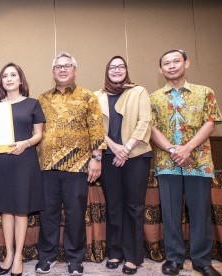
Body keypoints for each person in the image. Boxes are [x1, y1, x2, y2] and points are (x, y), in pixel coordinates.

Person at [150, 49, 222, 276]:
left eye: (176, 61)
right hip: (167, 162)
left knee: (200, 212)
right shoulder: (153, 98)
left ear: (186, 63)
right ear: (160, 69)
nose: (171, 66)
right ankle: (174, 259)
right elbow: (151, 128)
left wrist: (187, 148)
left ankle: (202, 261)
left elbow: (211, 123)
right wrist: (173, 149)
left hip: (198, 163)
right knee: (171, 214)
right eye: (166, 63)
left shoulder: (205, 93)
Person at [36, 52, 105, 275]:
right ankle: (47, 257)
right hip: (47, 166)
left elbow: (96, 129)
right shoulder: (42, 98)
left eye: (67, 66)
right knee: (48, 213)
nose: (62, 70)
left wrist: (96, 159)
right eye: (58, 67)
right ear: (52, 72)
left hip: (78, 166)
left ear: (75, 70)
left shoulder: (88, 97)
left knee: (75, 214)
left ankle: (75, 259)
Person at [0, 63, 45, 276]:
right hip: (1, 161)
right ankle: (8, 253)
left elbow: (38, 135)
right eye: (5, 75)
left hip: (24, 160)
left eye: (13, 75)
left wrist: (25, 143)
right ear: (1, 82)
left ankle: (19, 256)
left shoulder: (33, 104)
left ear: (21, 80)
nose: (9, 78)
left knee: (21, 209)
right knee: (6, 208)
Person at [94, 56, 152, 275]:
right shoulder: (97, 96)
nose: (116, 70)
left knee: (134, 207)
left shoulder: (139, 92)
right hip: (109, 157)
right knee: (114, 206)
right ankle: (115, 252)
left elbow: (144, 123)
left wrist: (125, 149)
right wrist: (115, 148)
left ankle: (133, 256)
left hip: (136, 156)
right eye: (112, 67)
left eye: (121, 66)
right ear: (106, 71)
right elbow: (95, 126)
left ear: (126, 70)